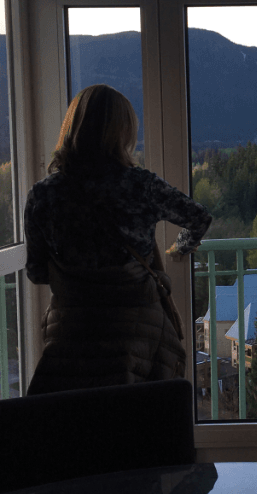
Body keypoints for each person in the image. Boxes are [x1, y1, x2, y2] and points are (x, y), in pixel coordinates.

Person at [24, 84, 212, 394]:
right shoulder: (141, 185)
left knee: (73, 426)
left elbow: (35, 272)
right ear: (123, 132)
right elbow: (199, 218)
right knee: (134, 423)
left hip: (73, 334)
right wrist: (180, 248)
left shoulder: (44, 194)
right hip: (134, 332)